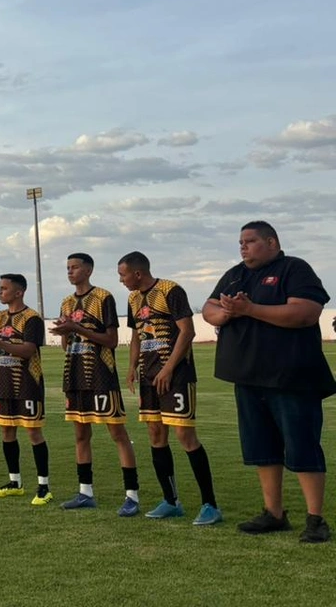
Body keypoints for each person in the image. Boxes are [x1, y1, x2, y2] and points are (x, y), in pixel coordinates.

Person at [203, 221, 331, 541]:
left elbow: (305, 313)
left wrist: (250, 309)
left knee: (302, 447)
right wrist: (228, 312)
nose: (243, 247)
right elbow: (209, 308)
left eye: (250, 241)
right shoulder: (235, 275)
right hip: (248, 377)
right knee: (263, 449)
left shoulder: (294, 269)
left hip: (291, 378)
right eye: (240, 242)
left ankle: (315, 519)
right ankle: (274, 513)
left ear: (272, 242)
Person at [120, 251, 221, 525]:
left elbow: (187, 331)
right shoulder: (133, 299)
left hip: (176, 375)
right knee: (155, 434)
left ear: (138, 273)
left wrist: (168, 368)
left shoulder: (170, 290)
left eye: (123, 275)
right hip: (149, 377)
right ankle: (171, 501)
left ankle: (210, 505)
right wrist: (132, 367)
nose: (121, 280)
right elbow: (136, 335)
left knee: (185, 435)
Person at [52, 253, 140, 516]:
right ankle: (85, 492)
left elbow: (111, 340)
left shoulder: (103, 297)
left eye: (75, 267)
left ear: (88, 270)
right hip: (74, 374)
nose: (70, 271)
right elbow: (66, 346)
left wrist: (77, 328)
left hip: (101, 374)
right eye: (67, 267)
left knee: (118, 434)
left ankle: (132, 496)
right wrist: (65, 332)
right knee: (81, 435)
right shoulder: (66, 302)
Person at [0, 274, 52, 506]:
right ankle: (15, 482)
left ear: (19, 292)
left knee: (33, 433)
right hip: (3, 381)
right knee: (7, 431)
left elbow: (28, 350)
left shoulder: (32, 318)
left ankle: (44, 487)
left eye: (4, 288)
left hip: (28, 382)